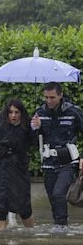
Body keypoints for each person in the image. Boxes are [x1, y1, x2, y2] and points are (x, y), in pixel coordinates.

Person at [31, 82, 83, 226]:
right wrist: (35, 128)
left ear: (60, 95)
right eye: (46, 97)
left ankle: (62, 228)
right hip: (48, 162)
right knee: (53, 199)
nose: (49, 101)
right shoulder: (39, 113)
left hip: (68, 161)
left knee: (59, 193)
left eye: (52, 97)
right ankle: (59, 227)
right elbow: (33, 141)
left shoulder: (73, 112)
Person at [0, 99, 36, 230]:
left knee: (24, 206)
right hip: (0, 166)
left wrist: (36, 128)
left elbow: (33, 143)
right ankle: (0, 241)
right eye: (11, 112)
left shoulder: (28, 124)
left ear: (21, 113)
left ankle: (30, 233)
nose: (13, 115)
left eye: (16, 112)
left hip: (18, 167)